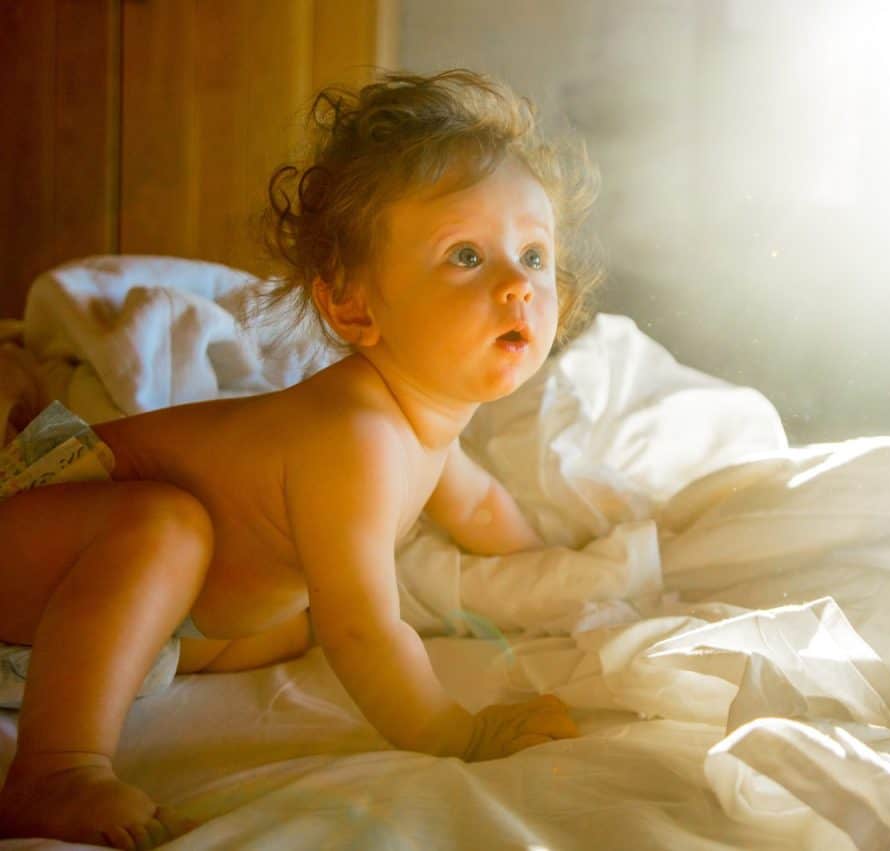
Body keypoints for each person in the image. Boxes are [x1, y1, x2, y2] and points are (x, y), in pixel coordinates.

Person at [0, 68, 603, 849]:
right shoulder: (353, 432)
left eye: (532, 254)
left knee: (285, 624)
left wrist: (566, 570)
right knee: (169, 527)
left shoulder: (426, 421)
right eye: (465, 255)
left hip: (123, 616)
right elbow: (364, 629)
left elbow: (479, 506)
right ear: (354, 306)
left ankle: (99, 678)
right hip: (37, 546)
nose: (519, 287)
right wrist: (457, 731)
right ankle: (54, 768)